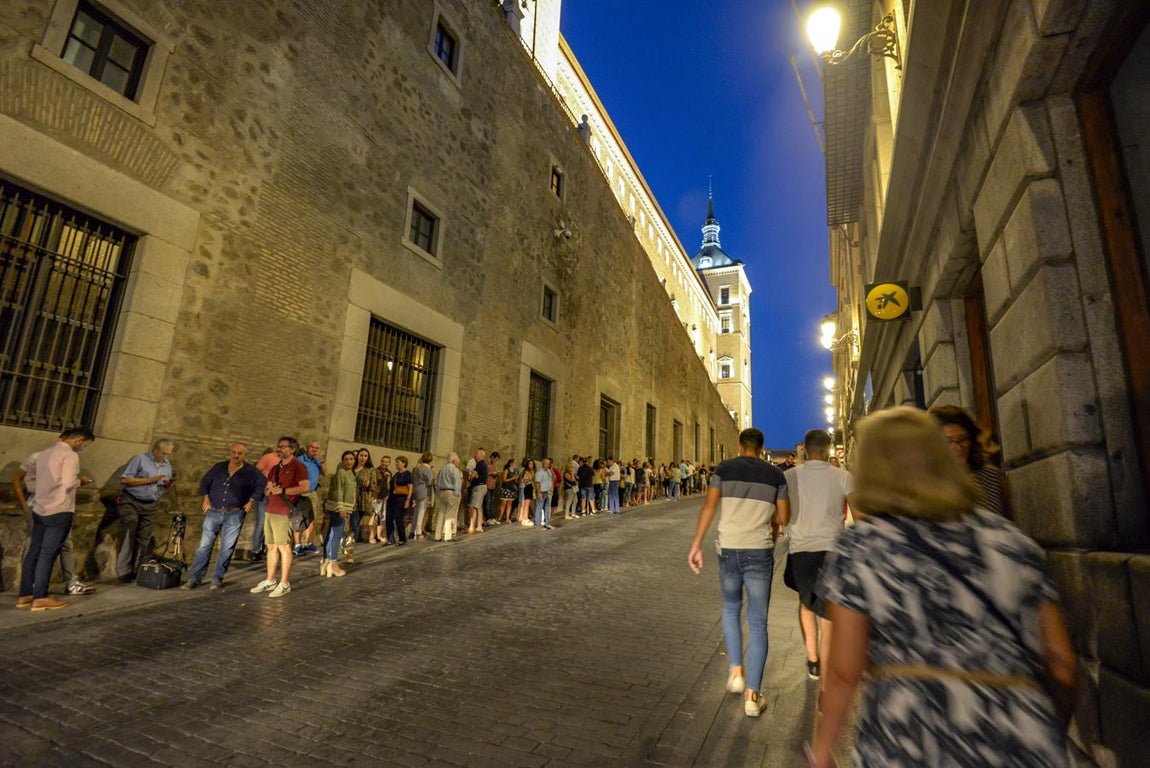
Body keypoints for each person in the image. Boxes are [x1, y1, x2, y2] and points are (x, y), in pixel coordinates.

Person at [807, 407, 1077, 767]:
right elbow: (1062, 663)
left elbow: (844, 670)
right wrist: (1040, 726)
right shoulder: (1013, 542)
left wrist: (823, 750)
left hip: (908, 741)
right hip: (1023, 741)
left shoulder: (864, 547)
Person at [688, 427, 789, 717]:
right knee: (758, 622)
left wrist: (696, 545)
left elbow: (709, 507)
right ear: (761, 447)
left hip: (728, 549)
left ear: (740, 445)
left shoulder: (723, 468)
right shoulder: (775, 475)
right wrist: (768, 514)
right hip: (759, 550)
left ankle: (735, 669)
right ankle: (752, 697)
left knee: (731, 607)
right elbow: (784, 517)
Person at [777, 429, 853, 681]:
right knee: (828, 611)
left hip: (801, 550)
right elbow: (861, 517)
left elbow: (780, 516)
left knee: (806, 604)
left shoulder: (789, 476)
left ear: (805, 450)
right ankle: (827, 662)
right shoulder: (843, 477)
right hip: (833, 549)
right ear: (829, 449)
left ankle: (812, 660)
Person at [17, 427, 96, 611]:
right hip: (59, 509)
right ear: (78, 440)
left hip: (40, 507)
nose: (84, 447)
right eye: (85, 444)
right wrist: (81, 482)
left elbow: (30, 480)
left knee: (34, 551)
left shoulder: (43, 454)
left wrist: (44, 492)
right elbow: (69, 483)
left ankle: (25, 594)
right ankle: (41, 597)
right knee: (48, 553)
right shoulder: (70, 456)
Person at [183, 443, 267, 590]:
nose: (236, 456)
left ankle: (217, 578)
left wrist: (252, 500)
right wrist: (206, 499)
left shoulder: (250, 471)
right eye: (233, 452)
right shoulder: (219, 467)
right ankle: (194, 578)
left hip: (234, 513)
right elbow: (205, 482)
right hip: (214, 511)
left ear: (244, 455)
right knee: (204, 546)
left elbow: (261, 484)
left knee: (227, 548)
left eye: (240, 453)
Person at [249, 436, 309, 598]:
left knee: (284, 547)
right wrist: (268, 490)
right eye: (279, 446)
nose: (280, 449)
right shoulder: (276, 468)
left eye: (283, 446)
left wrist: (282, 491)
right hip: (271, 509)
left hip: (285, 511)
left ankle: (284, 583)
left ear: (292, 449)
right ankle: (270, 580)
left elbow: (304, 487)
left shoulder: (299, 466)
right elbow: (268, 486)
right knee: (271, 546)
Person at [930, 404, 1011, 518]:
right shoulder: (927, 482)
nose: (957, 447)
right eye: (948, 441)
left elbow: (1009, 522)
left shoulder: (993, 477)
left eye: (963, 439)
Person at [114, 439, 174, 582]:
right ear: (155, 449)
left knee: (144, 537)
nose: (166, 457)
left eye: (168, 454)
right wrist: (149, 480)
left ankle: (139, 569)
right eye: (164, 453)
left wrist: (167, 484)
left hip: (151, 504)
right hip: (131, 501)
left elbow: (164, 482)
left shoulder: (167, 465)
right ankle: (123, 571)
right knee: (129, 531)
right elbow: (124, 480)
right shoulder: (140, 459)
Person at [322, 451, 356, 577]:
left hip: (341, 506)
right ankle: (333, 563)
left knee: (332, 533)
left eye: (351, 459)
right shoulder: (341, 472)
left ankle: (326, 561)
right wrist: (341, 508)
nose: (349, 461)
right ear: (342, 460)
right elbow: (339, 491)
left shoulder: (349, 473)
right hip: (339, 507)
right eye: (346, 459)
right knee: (336, 534)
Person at [293, 440, 326, 556]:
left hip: (312, 493)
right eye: (312, 447)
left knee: (312, 518)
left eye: (317, 448)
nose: (314, 450)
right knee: (299, 519)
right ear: (307, 448)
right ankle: (297, 545)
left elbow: (325, 473)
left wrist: (321, 460)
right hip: (301, 492)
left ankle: (307, 543)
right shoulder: (299, 460)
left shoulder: (317, 461)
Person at [247, 448, 278, 562]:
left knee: (272, 523)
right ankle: (255, 550)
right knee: (261, 522)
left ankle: (266, 549)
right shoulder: (269, 457)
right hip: (265, 495)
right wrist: (263, 484)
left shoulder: (287, 461)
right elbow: (255, 473)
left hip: (277, 496)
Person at [348, 448, 377, 559]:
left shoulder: (370, 470)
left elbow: (374, 486)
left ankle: (349, 551)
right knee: (349, 526)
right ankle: (347, 547)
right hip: (349, 498)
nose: (363, 458)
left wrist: (367, 484)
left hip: (362, 500)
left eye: (365, 456)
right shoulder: (352, 468)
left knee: (354, 525)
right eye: (361, 455)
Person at [433, 452, 463, 541]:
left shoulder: (442, 469)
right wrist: (457, 494)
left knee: (441, 514)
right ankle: (448, 536)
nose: (458, 462)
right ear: (454, 461)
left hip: (442, 492)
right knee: (450, 515)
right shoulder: (454, 469)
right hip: (451, 492)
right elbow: (457, 482)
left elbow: (437, 482)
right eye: (457, 460)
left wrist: (438, 492)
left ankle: (437, 535)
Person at [385, 456, 412, 546]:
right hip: (392, 498)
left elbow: (410, 488)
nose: (396, 464)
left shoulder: (408, 474)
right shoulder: (396, 474)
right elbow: (390, 487)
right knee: (388, 518)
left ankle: (402, 538)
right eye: (396, 462)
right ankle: (390, 538)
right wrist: (389, 479)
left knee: (398, 518)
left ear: (404, 463)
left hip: (401, 499)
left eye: (398, 462)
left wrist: (408, 500)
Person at [410, 452, 434, 539]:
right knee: (421, 512)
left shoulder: (417, 468)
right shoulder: (427, 469)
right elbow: (430, 482)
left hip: (416, 491)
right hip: (424, 491)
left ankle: (412, 531)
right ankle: (418, 532)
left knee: (416, 512)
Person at [465, 448, 488, 534]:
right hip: (481, 487)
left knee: (473, 506)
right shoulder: (482, 464)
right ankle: (479, 526)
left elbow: (472, 476)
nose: (475, 455)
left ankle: (472, 526)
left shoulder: (480, 464)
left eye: (477, 453)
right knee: (478, 507)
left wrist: (471, 477)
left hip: (479, 487)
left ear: (481, 455)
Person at [370, 455, 392, 544]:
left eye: (386, 462)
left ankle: (379, 535)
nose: (384, 463)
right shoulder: (376, 471)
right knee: (375, 516)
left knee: (382, 517)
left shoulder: (389, 473)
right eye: (383, 461)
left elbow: (389, 486)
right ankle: (371, 536)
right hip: (376, 496)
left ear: (389, 463)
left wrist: (388, 479)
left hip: (385, 497)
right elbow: (373, 484)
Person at [534, 458, 555, 530]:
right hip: (541, 492)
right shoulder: (540, 472)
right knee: (539, 508)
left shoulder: (549, 471)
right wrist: (539, 492)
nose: (547, 465)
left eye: (548, 464)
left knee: (547, 508)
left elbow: (554, 478)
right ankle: (538, 525)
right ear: (542, 464)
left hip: (546, 492)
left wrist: (551, 470)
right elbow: (537, 483)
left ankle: (547, 524)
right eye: (546, 463)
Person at [519, 458, 537, 526]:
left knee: (528, 504)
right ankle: (525, 518)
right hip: (527, 487)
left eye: (532, 463)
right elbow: (524, 481)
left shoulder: (532, 471)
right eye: (530, 463)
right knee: (526, 504)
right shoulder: (526, 471)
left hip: (531, 487)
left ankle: (525, 517)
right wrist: (531, 478)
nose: (531, 465)